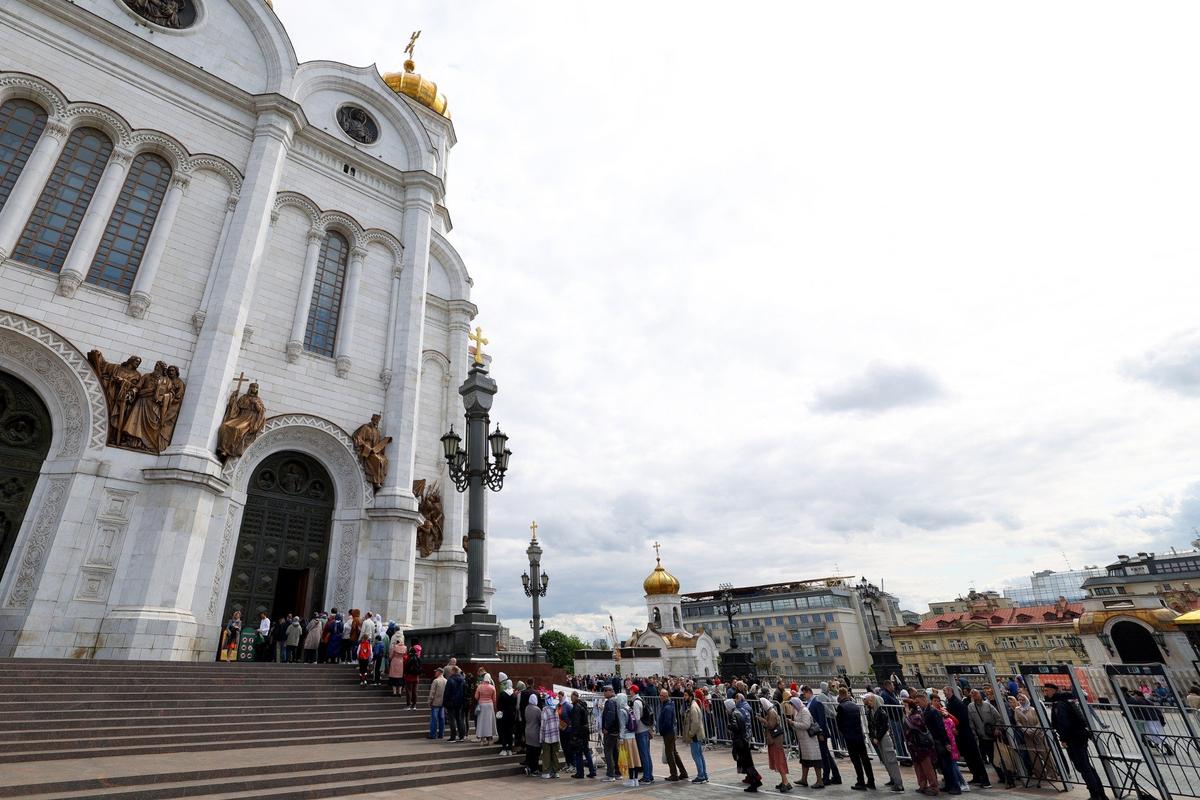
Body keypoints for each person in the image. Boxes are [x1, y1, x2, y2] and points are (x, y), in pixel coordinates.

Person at [1042, 683, 1106, 800]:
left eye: (1046, 691)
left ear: (1053, 691)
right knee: (1086, 766)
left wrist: (1063, 738)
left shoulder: (1059, 704)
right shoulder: (1066, 701)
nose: (1045, 693)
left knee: (1083, 766)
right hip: (1079, 736)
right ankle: (1099, 793)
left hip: (1074, 738)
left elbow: (1063, 723)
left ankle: (1096, 795)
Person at [914, 690, 960, 795]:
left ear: (924, 700)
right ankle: (949, 785)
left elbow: (941, 728)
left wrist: (946, 743)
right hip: (935, 742)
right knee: (943, 766)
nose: (918, 704)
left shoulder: (932, 711)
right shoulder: (925, 710)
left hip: (940, 741)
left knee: (947, 765)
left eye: (918, 702)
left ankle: (955, 786)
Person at [945, 685, 989, 787]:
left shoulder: (957, 703)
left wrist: (956, 728)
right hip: (961, 734)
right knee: (968, 757)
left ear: (951, 691)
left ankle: (984, 779)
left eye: (945, 691)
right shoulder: (953, 703)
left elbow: (962, 719)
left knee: (975, 757)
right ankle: (976, 776)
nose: (945, 693)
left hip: (966, 734)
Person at [1010, 693, 1057, 781]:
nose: (1021, 701)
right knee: (1033, 755)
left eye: (1023, 699)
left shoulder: (1033, 709)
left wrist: (1035, 730)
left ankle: (1052, 773)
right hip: (1027, 735)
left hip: (1038, 734)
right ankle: (1040, 774)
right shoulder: (1017, 710)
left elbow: (1039, 721)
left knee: (1045, 754)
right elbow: (1018, 721)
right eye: (1019, 700)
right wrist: (1025, 730)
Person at [967, 688, 1010, 785]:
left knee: (1001, 756)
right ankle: (1001, 776)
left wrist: (997, 729)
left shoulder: (988, 705)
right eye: (972, 694)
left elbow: (998, 718)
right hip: (982, 737)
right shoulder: (970, 707)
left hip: (993, 736)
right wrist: (975, 735)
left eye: (976, 694)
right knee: (991, 758)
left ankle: (1008, 776)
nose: (974, 696)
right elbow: (971, 722)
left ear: (980, 695)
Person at [836, 687, 874, 790]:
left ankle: (860, 781)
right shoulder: (855, 705)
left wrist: (844, 733)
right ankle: (871, 781)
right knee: (865, 759)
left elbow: (839, 724)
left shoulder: (841, 707)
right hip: (859, 735)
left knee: (856, 760)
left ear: (840, 695)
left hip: (850, 736)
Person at [803, 684, 841, 785]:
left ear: (809, 692)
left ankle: (826, 777)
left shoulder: (817, 702)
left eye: (804, 693)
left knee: (824, 756)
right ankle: (836, 776)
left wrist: (821, 733)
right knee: (826, 755)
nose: (804, 696)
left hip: (820, 733)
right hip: (816, 733)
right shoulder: (810, 703)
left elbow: (822, 720)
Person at [865, 693, 904, 792]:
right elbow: (871, 726)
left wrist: (876, 737)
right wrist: (873, 737)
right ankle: (893, 779)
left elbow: (884, 727)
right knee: (885, 760)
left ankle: (898, 784)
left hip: (883, 738)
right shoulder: (871, 712)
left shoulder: (881, 712)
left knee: (891, 760)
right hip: (878, 738)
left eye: (870, 700)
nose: (868, 702)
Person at [930, 694, 966, 793]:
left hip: (948, 741)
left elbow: (955, 721)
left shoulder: (942, 711)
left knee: (952, 764)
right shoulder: (933, 711)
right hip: (944, 741)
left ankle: (962, 783)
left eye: (938, 701)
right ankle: (950, 783)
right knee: (946, 765)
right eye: (935, 701)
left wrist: (947, 715)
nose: (937, 703)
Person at [904, 696, 939, 796]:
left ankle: (934, 787)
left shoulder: (916, 716)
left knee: (927, 767)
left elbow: (913, 727)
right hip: (913, 746)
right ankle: (922, 785)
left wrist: (907, 716)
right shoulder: (910, 716)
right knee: (918, 767)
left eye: (906, 706)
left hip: (921, 746)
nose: (904, 708)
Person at [787, 695, 823, 788]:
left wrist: (793, 723)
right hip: (803, 740)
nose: (792, 707)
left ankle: (819, 781)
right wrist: (793, 725)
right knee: (804, 760)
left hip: (809, 740)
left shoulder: (804, 711)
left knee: (815, 760)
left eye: (793, 705)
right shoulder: (798, 711)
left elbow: (806, 725)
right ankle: (804, 779)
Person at [728, 696, 763, 792]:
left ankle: (755, 781)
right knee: (747, 763)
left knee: (746, 763)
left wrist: (729, 726)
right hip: (744, 740)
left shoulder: (734, 714)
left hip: (740, 741)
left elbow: (735, 727)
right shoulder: (739, 712)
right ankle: (755, 779)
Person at [760, 697, 791, 793]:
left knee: (779, 760)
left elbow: (771, 725)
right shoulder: (770, 711)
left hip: (775, 740)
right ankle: (784, 781)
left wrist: (762, 720)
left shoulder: (771, 712)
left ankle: (785, 782)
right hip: (775, 740)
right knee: (778, 760)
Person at [659, 689, 689, 782]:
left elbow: (667, 722)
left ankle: (674, 774)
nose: (660, 697)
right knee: (674, 753)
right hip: (671, 732)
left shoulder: (667, 707)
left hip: (668, 733)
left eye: (662, 696)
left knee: (670, 754)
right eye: (660, 695)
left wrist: (662, 731)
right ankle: (683, 772)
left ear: (666, 696)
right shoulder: (669, 705)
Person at [683, 689, 710, 784]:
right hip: (697, 735)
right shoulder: (693, 705)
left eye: (686, 695)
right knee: (699, 755)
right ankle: (704, 775)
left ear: (690, 696)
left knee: (696, 756)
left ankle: (701, 776)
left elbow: (695, 722)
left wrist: (690, 733)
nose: (684, 697)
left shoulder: (693, 707)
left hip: (695, 736)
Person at [617, 692, 643, 787]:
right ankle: (635, 779)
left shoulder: (621, 711)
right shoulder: (629, 708)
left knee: (629, 759)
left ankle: (631, 780)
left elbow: (622, 726)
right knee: (635, 758)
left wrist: (621, 737)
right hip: (633, 736)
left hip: (626, 737)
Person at [629, 686, 654, 783]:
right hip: (645, 729)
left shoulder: (636, 702)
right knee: (647, 754)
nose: (629, 692)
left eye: (630, 690)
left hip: (640, 731)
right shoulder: (641, 700)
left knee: (644, 754)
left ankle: (647, 777)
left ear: (632, 691)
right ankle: (650, 775)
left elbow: (637, 718)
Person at [569, 691, 596, 778]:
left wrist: (574, 735)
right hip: (585, 732)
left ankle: (580, 773)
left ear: (575, 697)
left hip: (579, 732)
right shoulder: (583, 705)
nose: (571, 699)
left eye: (572, 697)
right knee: (586, 752)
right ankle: (592, 771)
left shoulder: (576, 707)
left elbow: (576, 722)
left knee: (578, 753)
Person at [600, 685, 621, 782]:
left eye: (605, 691)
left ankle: (611, 774)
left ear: (610, 691)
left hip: (611, 731)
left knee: (608, 752)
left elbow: (611, 716)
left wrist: (606, 728)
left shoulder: (610, 702)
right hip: (615, 731)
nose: (603, 693)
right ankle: (617, 773)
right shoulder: (615, 701)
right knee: (614, 752)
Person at [540, 695, 562, 778]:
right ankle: (556, 772)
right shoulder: (555, 709)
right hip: (555, 735)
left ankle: (546, 772)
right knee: (555, 755)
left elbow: (543, 725)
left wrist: (541, 737)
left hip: (547, 736)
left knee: (546, 755)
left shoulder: (545, 710)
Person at [444, 666, 467, 742]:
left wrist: (445, 702)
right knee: (460, 719)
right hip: (460, 703)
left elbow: (447, 692)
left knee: (452, 720)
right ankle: (462, 736)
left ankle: (453, 736)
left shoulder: (450, 680)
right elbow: (464, 692)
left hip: (451, 703)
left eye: (451, 671)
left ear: (453, 671)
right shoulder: (463, 680)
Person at [497, 674, 518, 756]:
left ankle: (504, 749)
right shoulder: (514, 694)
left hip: (504, 715)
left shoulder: (503, 694)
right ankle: (509, 749)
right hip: (512, 715)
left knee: (503, 731)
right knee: (510, 731)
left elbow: (499, 706)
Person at [476, 673, 497, 745]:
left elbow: (476, 697)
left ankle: (482, 739)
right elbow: (494, 699)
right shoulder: (492, 687)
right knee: (489, 722)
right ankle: (490, 739)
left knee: (481, 721)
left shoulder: (479, 686)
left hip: (482, 705)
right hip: (490, 705)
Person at [524, 693, 542, 776]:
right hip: (535, 732)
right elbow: (540, 721)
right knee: (535, 752)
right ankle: (534, 769)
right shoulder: (537, 710)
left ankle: (528, 767)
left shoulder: (526, 708)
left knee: (529, 751)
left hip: (527, 731)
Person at [428, 667, 447, 739]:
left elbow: (432, 692)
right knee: (442, 719)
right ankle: (441, 734)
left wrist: (430, 701)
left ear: (439, 672)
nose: (435, 673)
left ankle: (433, 735)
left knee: (434, 719)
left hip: (435, 702)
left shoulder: (436, 681)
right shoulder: (446, 681)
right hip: (442, 703)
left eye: (436, 672)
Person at [402, 642, 422, 710]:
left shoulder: (408, 658)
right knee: (415, 691)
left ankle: (408, 705)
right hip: (416, 677)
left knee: (409, 691)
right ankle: (414, 705)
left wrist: (405, 674)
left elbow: (405, 667)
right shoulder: (418, 658)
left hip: (409, 677)